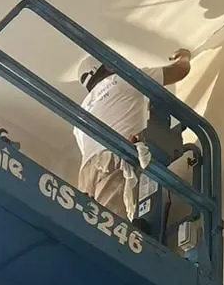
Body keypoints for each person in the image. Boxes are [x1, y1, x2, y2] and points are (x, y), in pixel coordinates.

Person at [73, 47, 192, 221]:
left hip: (86, 174)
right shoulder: (123, 79)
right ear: (107, 66)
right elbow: (180, 71)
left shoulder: (81, 111)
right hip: (114, 154)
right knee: (112, 224)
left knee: (90, 224)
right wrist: (185, 56)